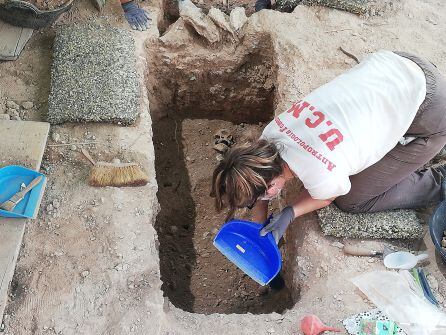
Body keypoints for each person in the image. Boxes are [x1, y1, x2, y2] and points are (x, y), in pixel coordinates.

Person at [211, 50, 446, 243]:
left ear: (270, 187)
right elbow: (263, 187)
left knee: (352, 199)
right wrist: (259, 227)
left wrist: (289, 213)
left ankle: (440, 180)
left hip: (431, 109)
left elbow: (328, 196)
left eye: (256, 199)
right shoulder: (271, 133)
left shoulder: (320, 173)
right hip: (399, 64)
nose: (258, 202)